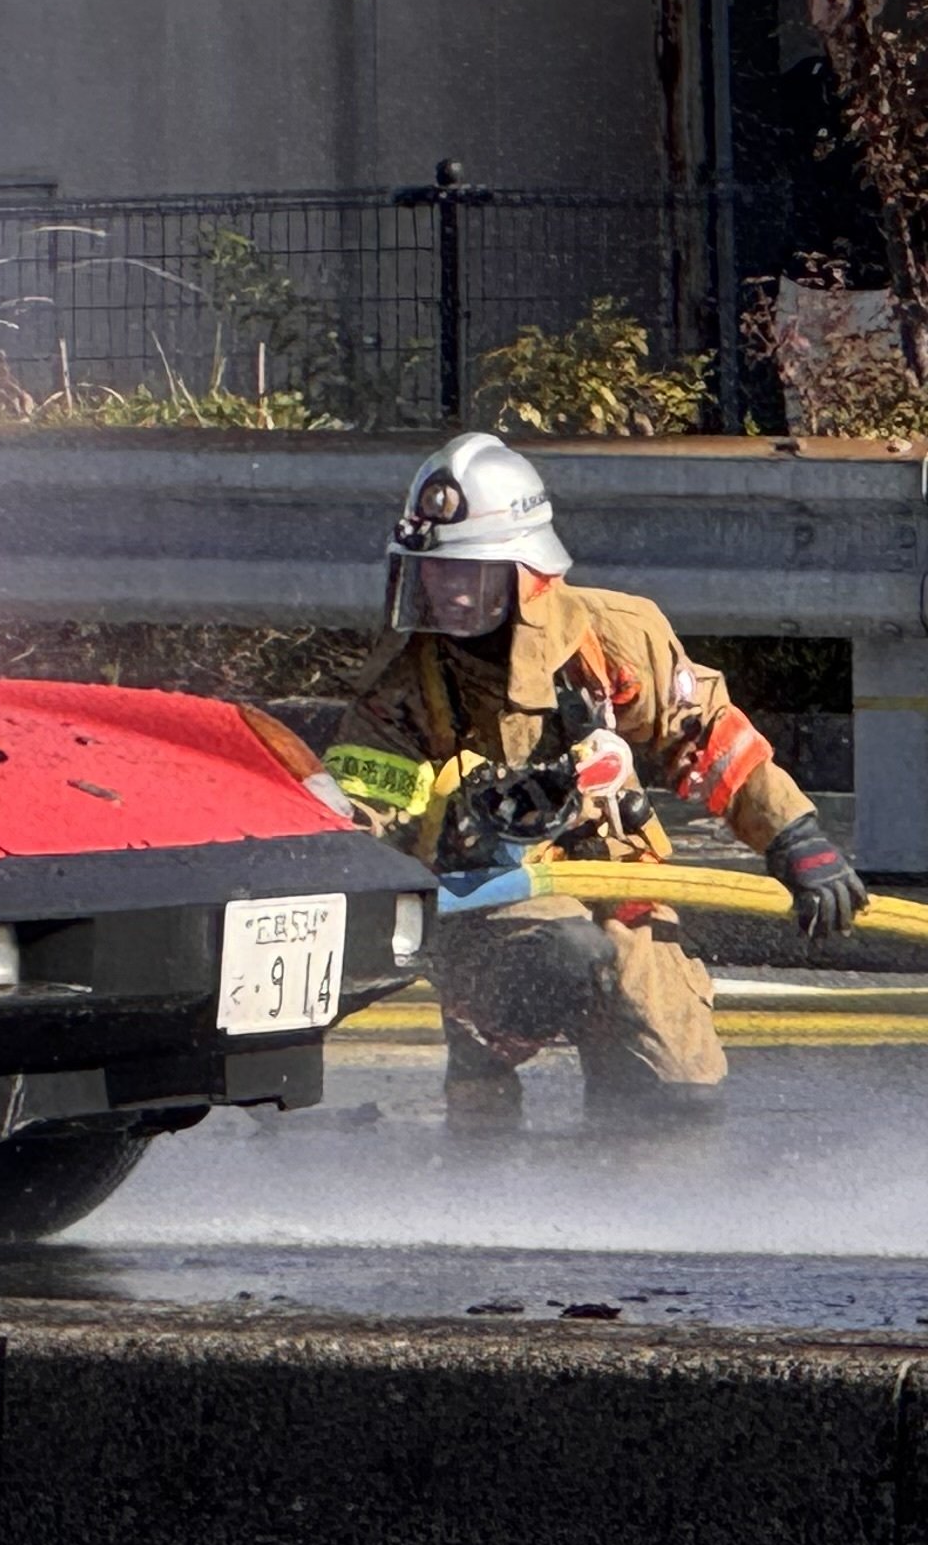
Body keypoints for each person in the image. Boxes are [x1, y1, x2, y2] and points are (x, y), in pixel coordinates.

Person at [326, 431, 865, 1125]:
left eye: (469, 572)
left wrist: (794, 837)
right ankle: (482, 1093)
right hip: (491, 898)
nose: (448, 592)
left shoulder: (609, 639)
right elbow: (367, 807)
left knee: (677, 1086)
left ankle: (622, 1176)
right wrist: (344, 859)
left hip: (620, 880)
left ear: (528, 574)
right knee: (560, 956)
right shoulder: (406, 685)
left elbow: (704, 733)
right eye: (433, 572)